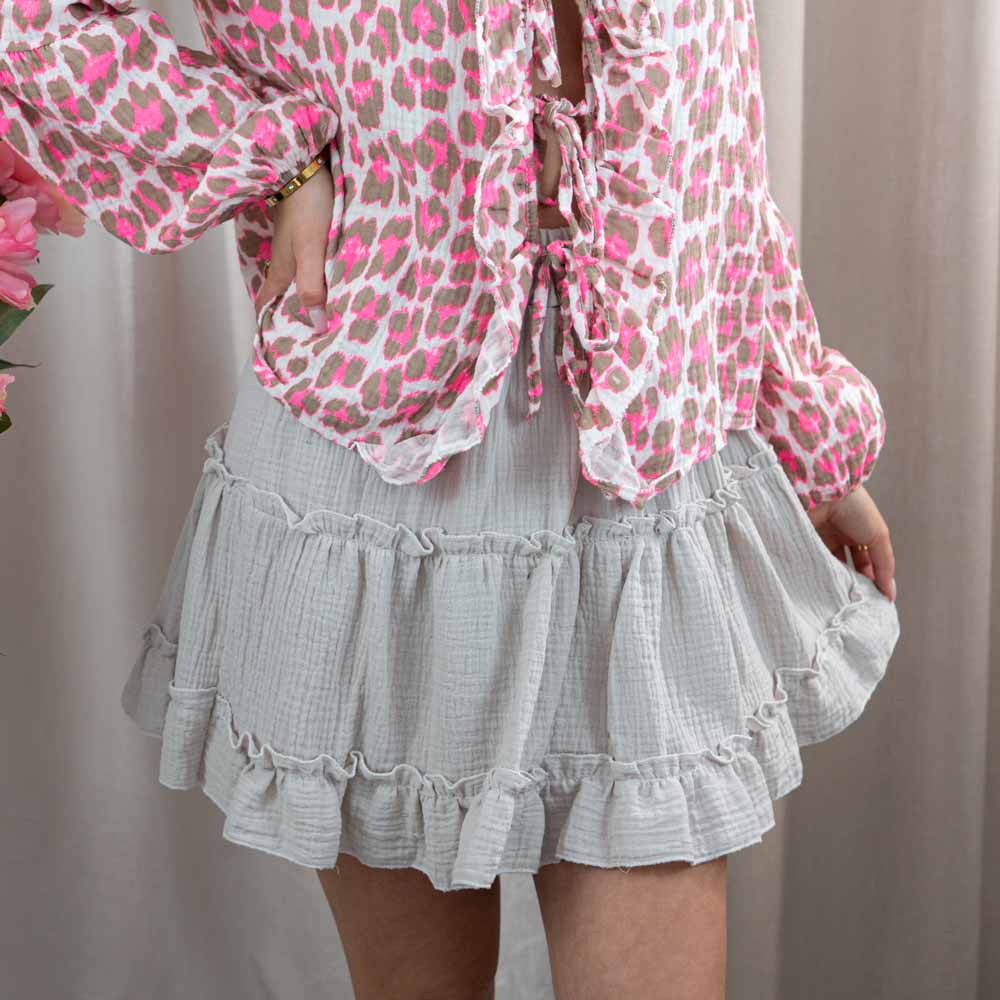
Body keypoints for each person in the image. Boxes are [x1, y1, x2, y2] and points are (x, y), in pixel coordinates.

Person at [0, 0, 901, 995]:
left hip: (644, 451)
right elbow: (31, 22)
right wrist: (272, 156)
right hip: (376, 455)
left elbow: (716, 128)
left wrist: (802, 417)